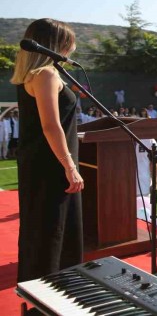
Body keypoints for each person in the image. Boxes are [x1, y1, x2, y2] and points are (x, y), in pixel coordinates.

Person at [11, 18, 84, 282]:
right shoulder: (46, 75)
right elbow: (51, 126)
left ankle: (42, 289)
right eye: (68, 43)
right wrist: (70, 166)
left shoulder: (35, 74)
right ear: (56, 44)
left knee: (43, 229)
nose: (72, 49)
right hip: (52, 165)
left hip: (42, 161)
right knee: (51, 231)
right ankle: (50, 291)